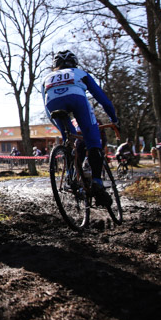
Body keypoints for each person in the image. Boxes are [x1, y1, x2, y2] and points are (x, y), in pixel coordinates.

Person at [43, 50, 118, 207]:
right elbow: (104, 100)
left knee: (68, 140)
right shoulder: (80, 73)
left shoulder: (46, 78)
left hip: (52, 104)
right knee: (93, 141)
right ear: (74, 63)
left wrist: (64, 131)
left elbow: (46, 105)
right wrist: (114, 119)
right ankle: (97, 182)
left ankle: (70, 175)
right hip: (77, 100)